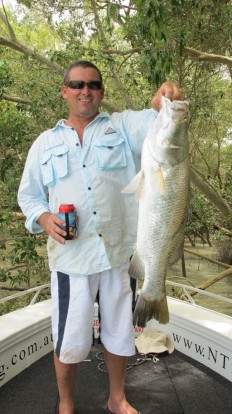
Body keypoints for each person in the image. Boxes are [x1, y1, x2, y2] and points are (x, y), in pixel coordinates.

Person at [18, 60, 183, 414]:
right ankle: (65, 403)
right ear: (65, 91)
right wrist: (44, 218)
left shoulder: (121, 127)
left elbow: (156, 121)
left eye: (93, 85)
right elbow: (28, 196)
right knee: (69, 341)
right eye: (77, 85)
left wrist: (164, 98)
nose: (85, 91)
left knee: (120, 335)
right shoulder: (44, 144)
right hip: (71, 259)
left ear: (102, 92)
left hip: (119, 255)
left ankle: (117, 398)